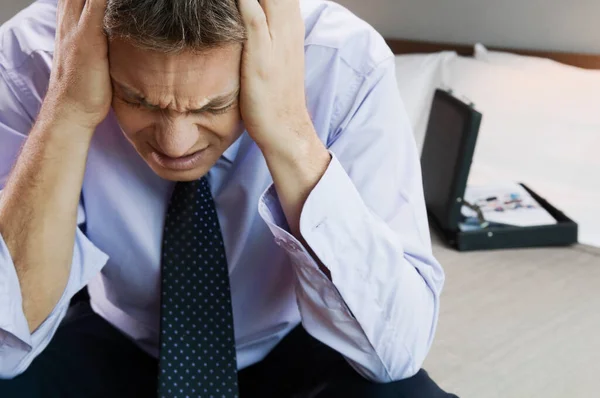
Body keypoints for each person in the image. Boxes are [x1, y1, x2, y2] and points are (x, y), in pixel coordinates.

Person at [0, 0, 455, 396]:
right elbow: (4, 351)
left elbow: (397, 353)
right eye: (138, 99)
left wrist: (290, 129)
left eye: (214, 105)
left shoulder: (346, 63)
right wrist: (67, 109)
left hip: (297, 340)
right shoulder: (30, 59)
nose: (175, 145)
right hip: (110, 335)